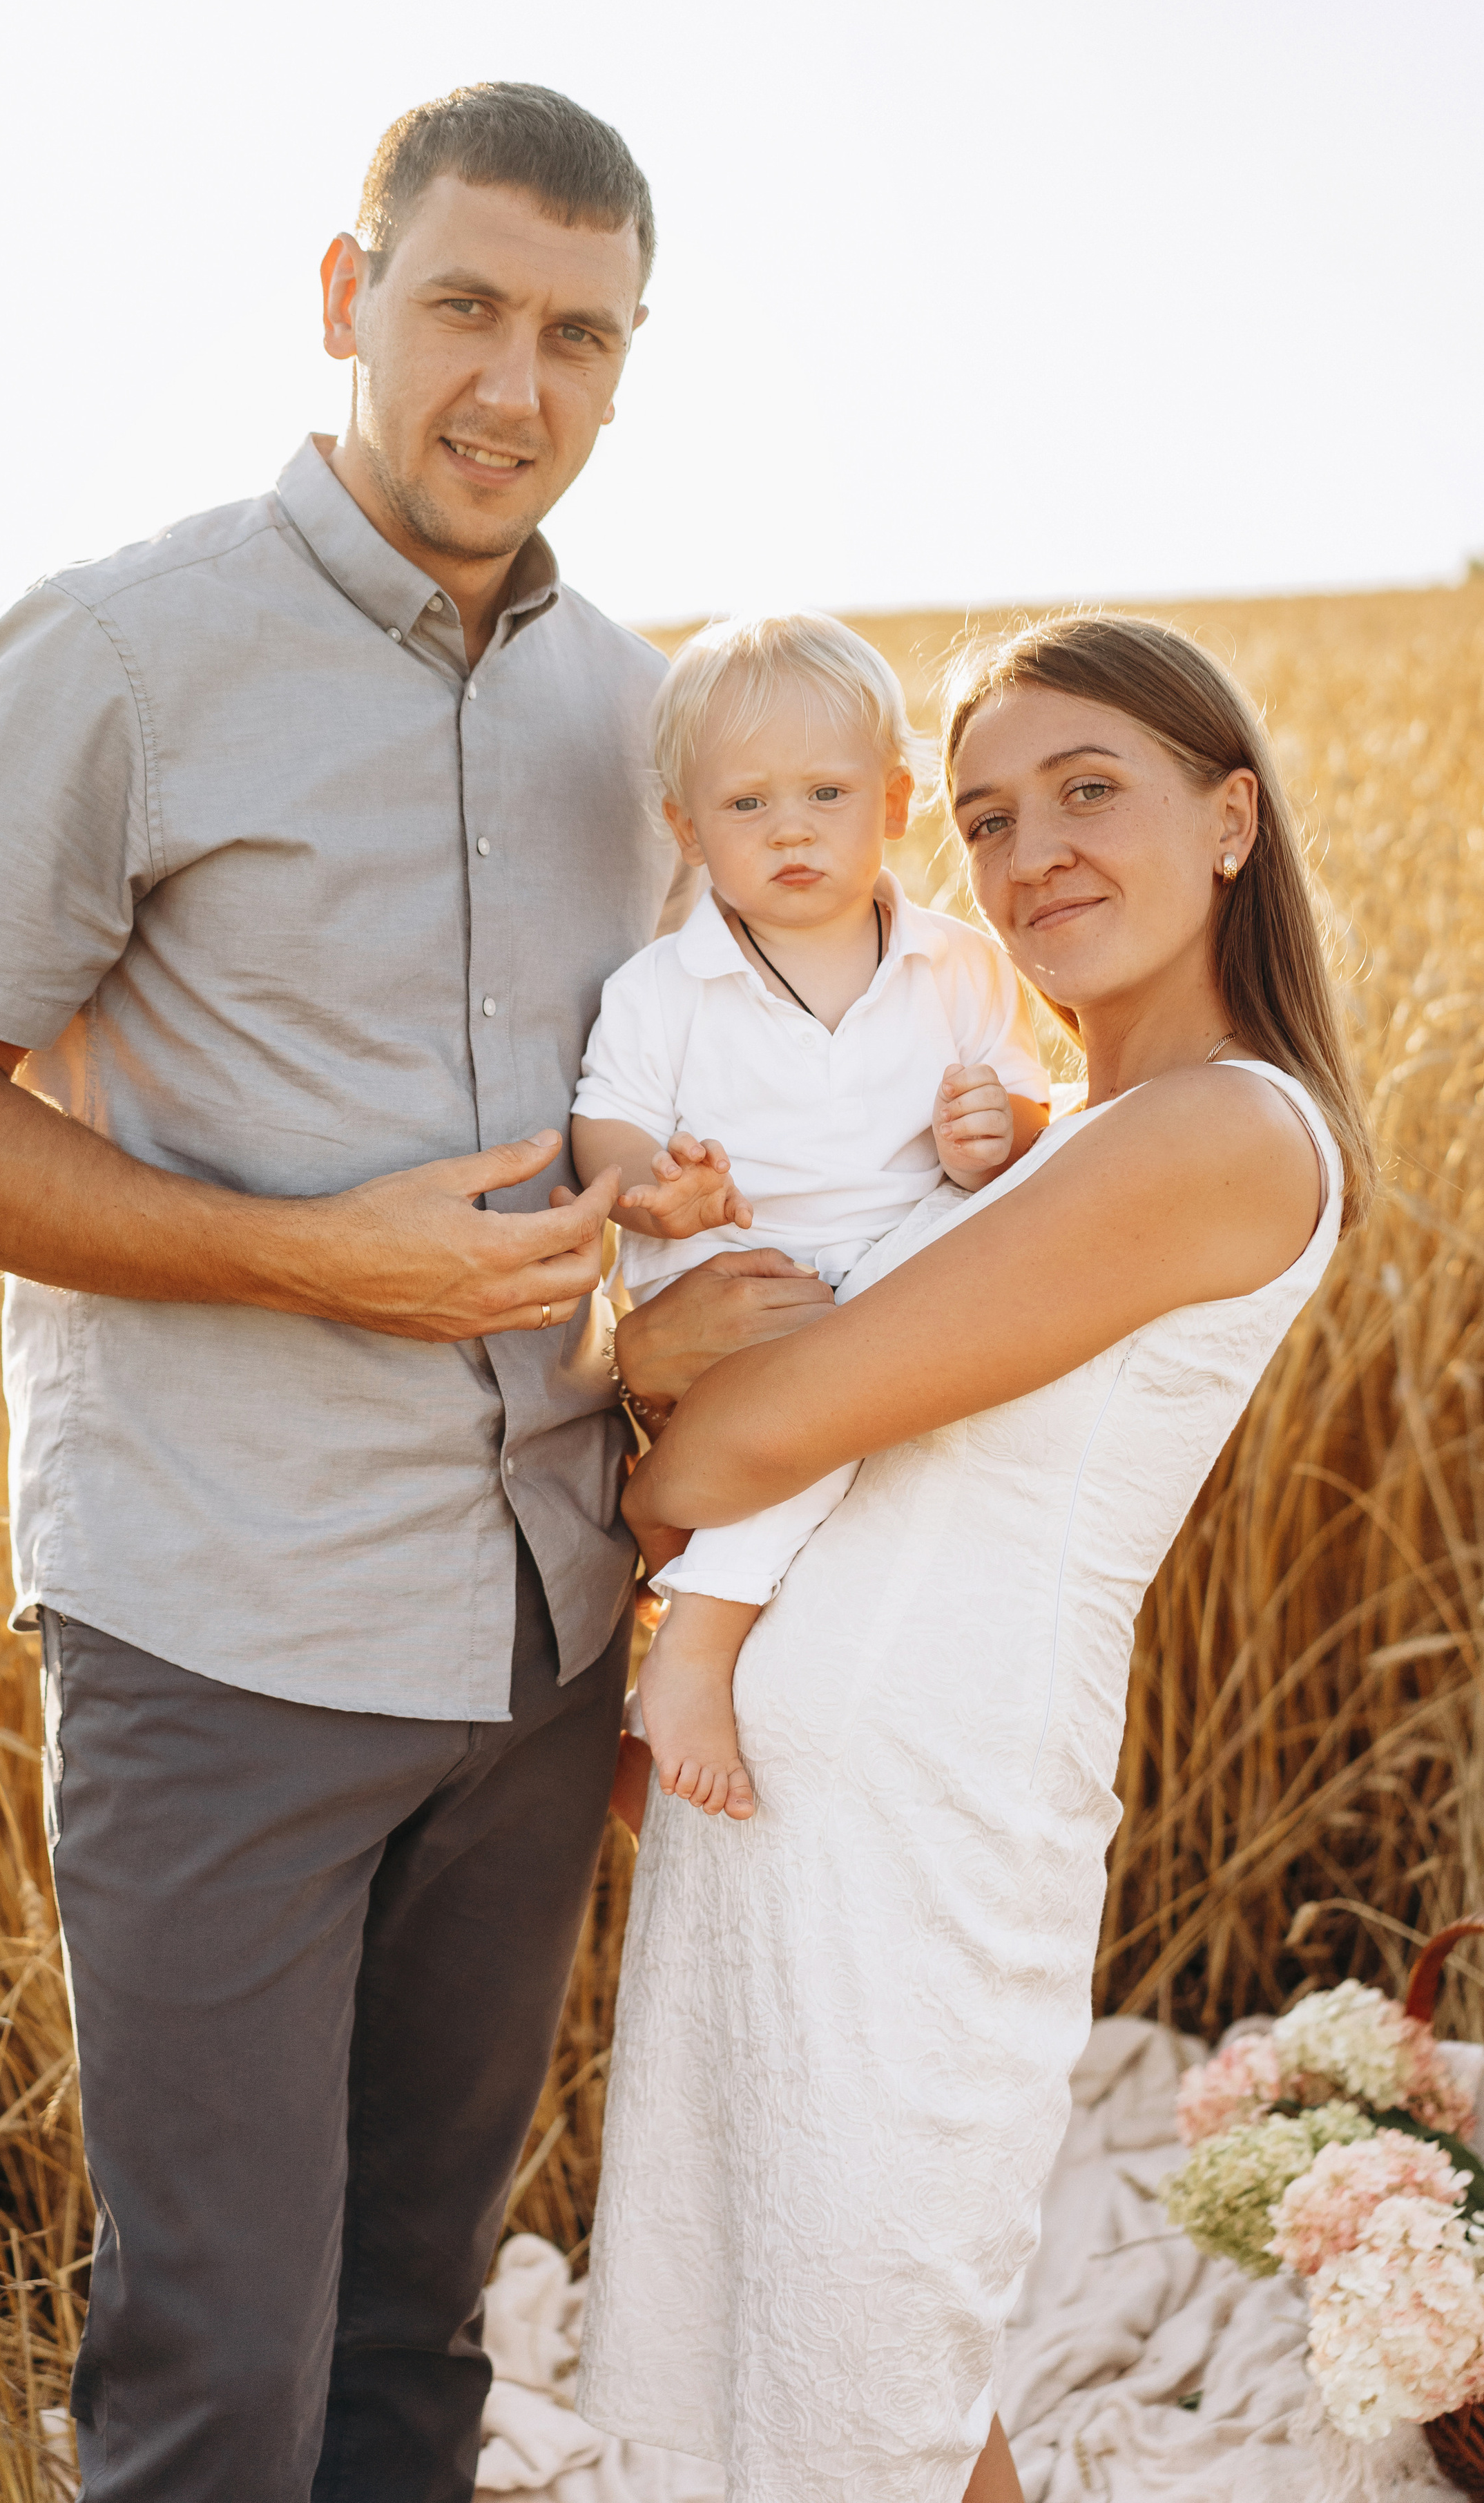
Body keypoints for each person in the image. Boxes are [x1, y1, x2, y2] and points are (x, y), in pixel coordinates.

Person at [0, 81, 833, 2503]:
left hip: (541, 1636)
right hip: (224, 1636)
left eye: (581, 333)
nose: (518, 383)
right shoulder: (123, 651)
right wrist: (316, 1263)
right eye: (465, 304)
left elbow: (679, 1101)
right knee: (217, 2379)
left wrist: (680, 1307)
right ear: (341, 293)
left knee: (418, 2353)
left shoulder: (644, 720)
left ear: (630, 358)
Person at [577, 613, 1377, 2503]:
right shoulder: (1041, 1135)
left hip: (934, 1794)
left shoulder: (1219, 1133)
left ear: (1232, 818)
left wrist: (648, 1437)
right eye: (992, 818)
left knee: (876, 2358)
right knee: (779, 2333)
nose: (1034, 861)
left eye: (1091, 793)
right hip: (797, 1785)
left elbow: (762, 1428)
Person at [571, 611, 1048, 1819]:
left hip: (905, 1270)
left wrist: (996, 1132)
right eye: (746, 806)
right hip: (749, 1284)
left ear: (893, 804)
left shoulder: (959, 967)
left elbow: (1028, 1105)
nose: (790, 828)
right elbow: (608, 1125)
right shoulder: (661, 990)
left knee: (891, 1421)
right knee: (804, 1416)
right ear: (685, 830)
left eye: (826, 793)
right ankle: (691, 1653)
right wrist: (652, 1192)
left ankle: (695, 1614)